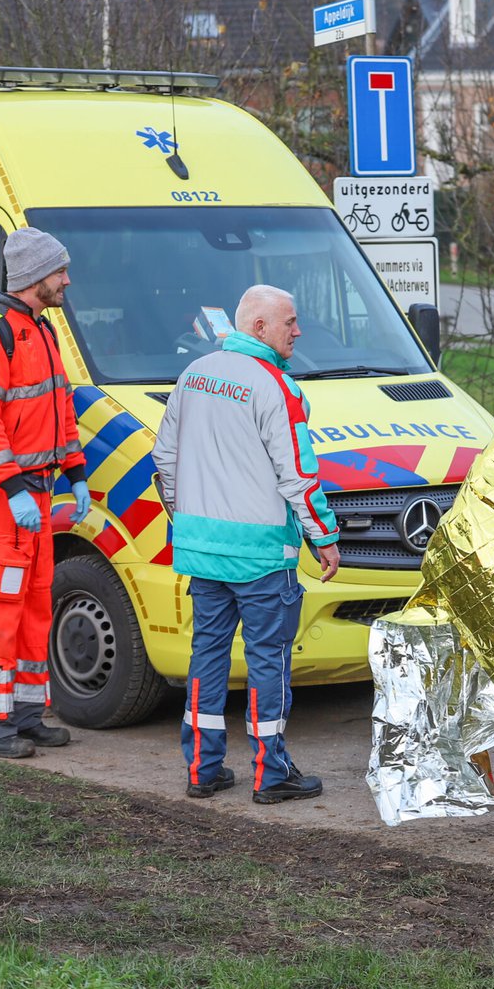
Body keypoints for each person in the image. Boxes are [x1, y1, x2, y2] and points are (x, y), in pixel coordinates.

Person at [154, 284, 341, 804]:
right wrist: (323, 537)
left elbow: (164, 462)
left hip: (203, 553)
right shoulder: (276, 387)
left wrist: (186, 522)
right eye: (290, 322)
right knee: (267, 662)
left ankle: (202, 769)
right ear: (259, 326)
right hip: (262, 559)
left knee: (207, 656)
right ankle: (270, 773)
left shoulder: (194, 374)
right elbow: (299, 474)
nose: (298, 331)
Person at [0, 227, 88, 759]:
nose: (67, 280)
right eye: (60, 271)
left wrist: (75, 473)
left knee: (34, 605)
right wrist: (12, 488)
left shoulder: (40, 329)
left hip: (36, 494)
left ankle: (27, 715)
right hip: (1, 496)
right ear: (36, 276)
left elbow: (60, 408)